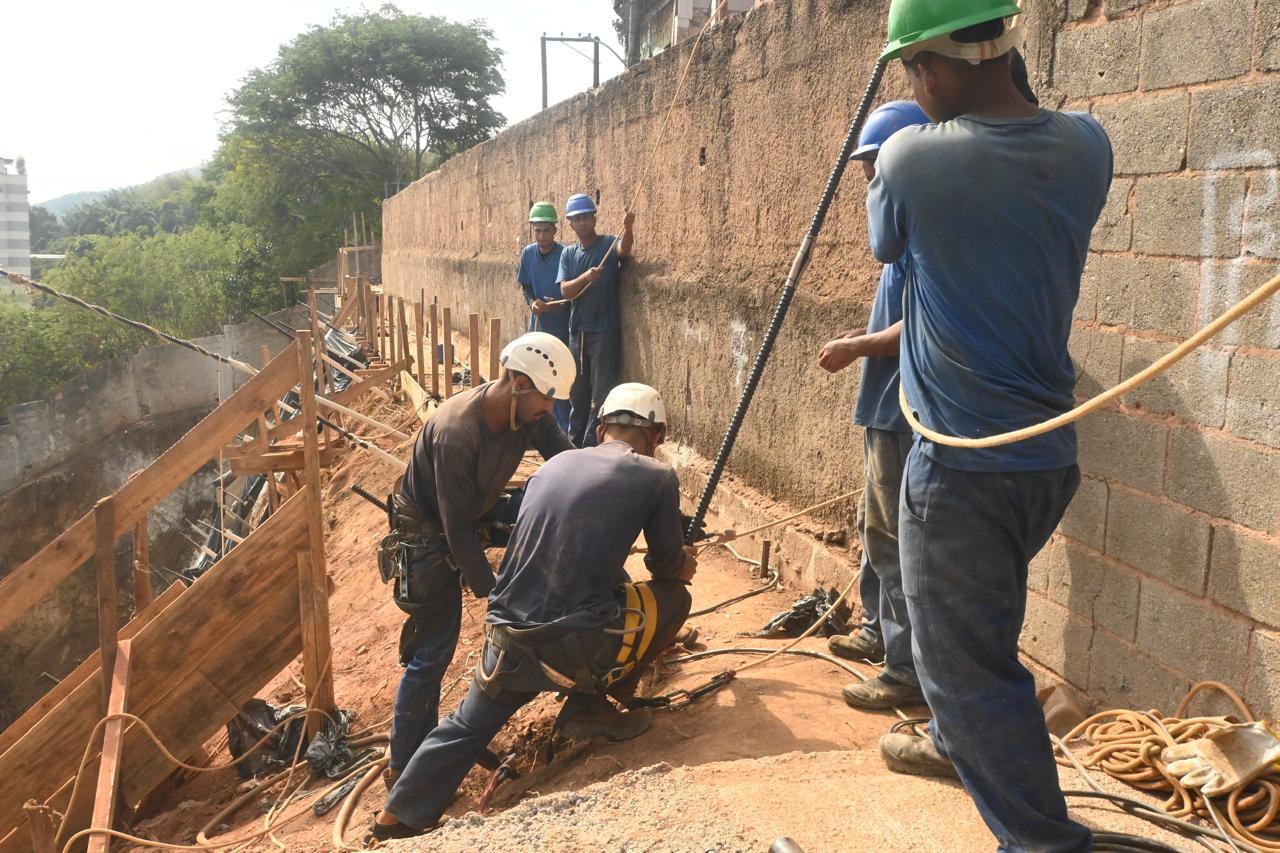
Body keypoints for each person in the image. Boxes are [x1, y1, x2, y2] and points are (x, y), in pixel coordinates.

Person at [867, 0, 1112, 849]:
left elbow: (888, 247)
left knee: (962, 669)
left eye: (912, 69)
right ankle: (951, 743)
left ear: (939, 63)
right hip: (1045, 459)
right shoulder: (1088, 146)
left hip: (960, 469)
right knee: (987, 622)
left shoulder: (908, 161)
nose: (912, 85)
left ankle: (1042, 841)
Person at [368, 383, 695, 841]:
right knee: (674, 598)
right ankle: (591, 704)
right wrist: (686, 561)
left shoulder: (554, 466)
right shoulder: (657, 477)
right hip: (576, 645)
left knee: (466, 724)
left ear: (600, 429)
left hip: (506, 641)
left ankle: (395, 819)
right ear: (656, 435)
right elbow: (666, 567)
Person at [380, 331, 576, 793]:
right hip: (427, 540)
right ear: (518, 384)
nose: (549, 411)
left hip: (472, 511)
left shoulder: (529, 415)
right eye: (545, 400)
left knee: (543, 503)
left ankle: (431, 744)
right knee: (433, 652)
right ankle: (404, 769)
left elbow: (566, 463)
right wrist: (495, 596)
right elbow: (457, 532)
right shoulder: (455, 433)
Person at [817, 100, 931, 712]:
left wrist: (854, 345)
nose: (868, 184)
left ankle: (904, 669)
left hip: (903, 410)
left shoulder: (923, 238)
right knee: (876, 530)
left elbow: (917, 324)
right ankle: (877, 631)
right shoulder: (900, 235)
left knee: (893, 542)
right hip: (883, 407)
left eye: (874, 170)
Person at [558, 192, 636, 447]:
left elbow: (623, 249)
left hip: (604, 333)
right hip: (578, 333)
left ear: (594, 218)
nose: (581, 222)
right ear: (570, 224)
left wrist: (628, 228)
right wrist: (586, 278)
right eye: (576, 219)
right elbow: (565, 291)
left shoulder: (607, 244)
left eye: (585, 217)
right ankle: (573, 446)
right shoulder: (569, 254)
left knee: (600, 396)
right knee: (577, 396)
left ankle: (588, 448)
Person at [518, 201, 572, 431]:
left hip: (561, 328)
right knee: (537, 379)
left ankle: (563, 429)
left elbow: (571, 293)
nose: (542, 236)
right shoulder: (528, 254)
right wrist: (532, 304)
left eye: (546, 230)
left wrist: (556, 306)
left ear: (555, 230)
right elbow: (526, 287)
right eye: (537, 230)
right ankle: (539, 427)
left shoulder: (565, 254)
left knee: (559, 380)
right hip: (538, 327)